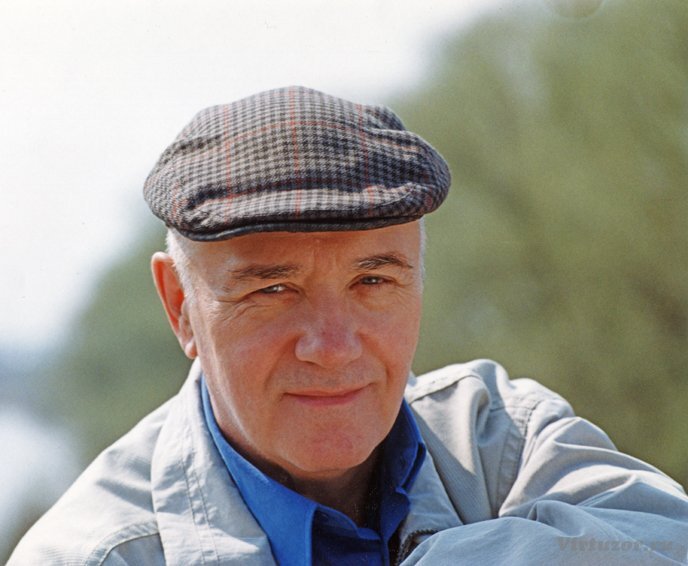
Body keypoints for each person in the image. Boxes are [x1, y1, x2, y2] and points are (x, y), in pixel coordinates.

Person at [9, 86, 688, 565]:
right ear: (181, 305)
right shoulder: (91, 555)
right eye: (273, 290)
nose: (332, 348)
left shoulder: (502, 440)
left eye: (373, 282)